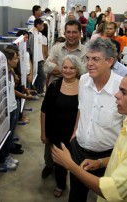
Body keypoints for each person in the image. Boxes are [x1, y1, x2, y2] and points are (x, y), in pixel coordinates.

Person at [52, 70, 127, 202]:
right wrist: (101, 162)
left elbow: (112, 190)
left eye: (124, 92)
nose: (116, 95)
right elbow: (124, 156)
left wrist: (70, 165)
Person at [67, 38, 124, 202]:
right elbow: (81, 109)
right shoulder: (84, 80)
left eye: (95, 59)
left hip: (107, 156)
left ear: (110, 61)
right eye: (88, 58)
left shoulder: (121, 88)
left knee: (107, 196)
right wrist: (74, 135)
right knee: (76, 193)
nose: (89, 63)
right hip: (79, 150)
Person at [42, 20, 87, 179]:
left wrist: (59, 68)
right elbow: (46, 67)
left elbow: (86, 73)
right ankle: (49, 164)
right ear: (64, 33)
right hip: (56, 94)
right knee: (51, 136)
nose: (71, 35)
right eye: (68, 32)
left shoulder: (85, 51)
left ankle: (69, 168)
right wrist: (69, 71)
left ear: (80, 33)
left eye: (75, 32)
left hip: (74, 95)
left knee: (70, 137)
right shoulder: (56, 48)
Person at [41, 55, 84, 197]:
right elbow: (44, 110)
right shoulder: (54, 86)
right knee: (59, 162)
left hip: (77, 133)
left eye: (72, 68)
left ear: (77, 70)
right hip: (57, 132)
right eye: (65, 67)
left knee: (77, 163)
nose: (68, 70)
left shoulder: (84, 86)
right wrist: (44, 133)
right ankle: (61, 184)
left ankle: (77, 188)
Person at [0, 48, 20, 171]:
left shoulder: (11, 73)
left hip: (13, 107)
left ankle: (7, 155)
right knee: (5, 136)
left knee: (9, 135)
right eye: (15, 58)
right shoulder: (2, 75)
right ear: (8, 60)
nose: (18, 60)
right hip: (7, 109)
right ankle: (3, 159)